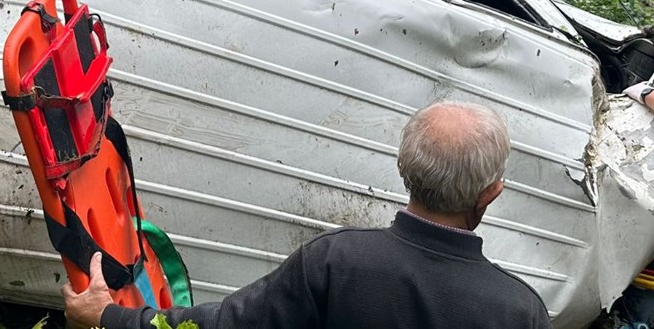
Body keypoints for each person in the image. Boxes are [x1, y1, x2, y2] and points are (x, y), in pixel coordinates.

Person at [63, 100, 552, 329]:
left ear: (404, 168)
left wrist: (108, 318)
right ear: (490, 194)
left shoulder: (337, 263)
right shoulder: (520, 311)